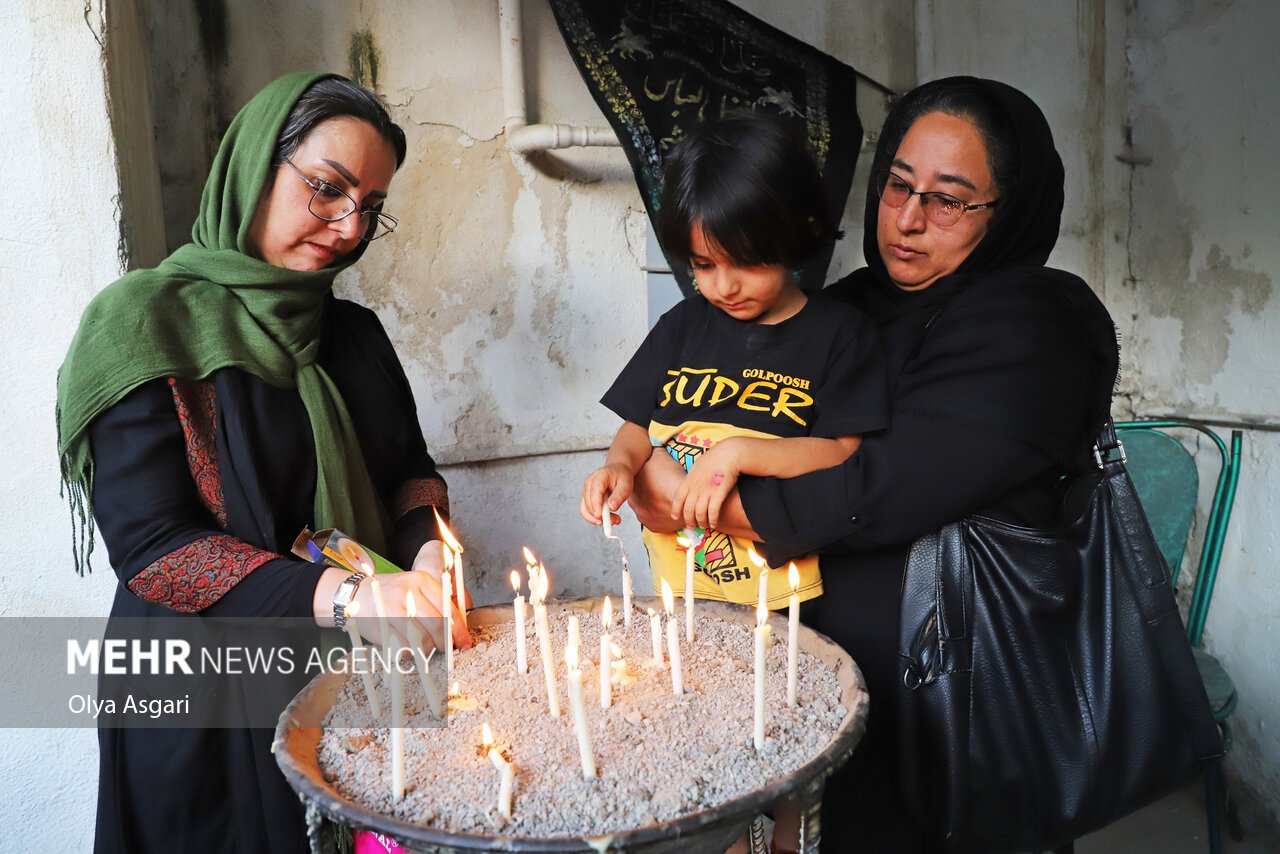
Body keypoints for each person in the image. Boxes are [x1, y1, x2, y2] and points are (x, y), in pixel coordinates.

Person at [623, 77, 1121, 851]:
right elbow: (713, 415)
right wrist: (651, 461)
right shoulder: (844, 310)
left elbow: (881, 487)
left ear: (1009, 209)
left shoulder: (1036, 324)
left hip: (955, 698)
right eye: (897, 185)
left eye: (950, 199)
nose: (909, 220)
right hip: (817, 678)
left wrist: (695, 503)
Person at [56, 72, 470, 854]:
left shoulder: (353, 336)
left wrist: (427, 555)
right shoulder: (146, 325)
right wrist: (351, 598)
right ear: (253, 165)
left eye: (371, 207)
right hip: (202, 702)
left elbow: (409, 475)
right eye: (326, 189)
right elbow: (157, 551)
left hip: (355, 683)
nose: (348, 227)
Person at [581, 113, 888, 619]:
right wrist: (619, 465)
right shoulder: (681, 325)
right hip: (678, 583)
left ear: (797, 234)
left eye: (746, 261)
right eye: (703, 265)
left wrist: (736, 453)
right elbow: (637, 427)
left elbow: (841, 454)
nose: (724, 286)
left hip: (787, 596)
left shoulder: (841, 334)